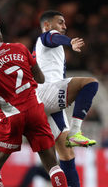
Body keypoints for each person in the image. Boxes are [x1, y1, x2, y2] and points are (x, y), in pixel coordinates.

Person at [0, 22, 67, 187]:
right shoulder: (20, 48)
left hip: (12, 116)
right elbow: (41, 79)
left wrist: (7, 96)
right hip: (35, 110)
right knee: (52, 165)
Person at [33, 10, 99, 186]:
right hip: (48, 92)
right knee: (90, 83)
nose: (65, 26)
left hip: (44, 101)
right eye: (60, 22)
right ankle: (76, 131)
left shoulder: (41, 49)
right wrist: (69, 41)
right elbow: (53, 37)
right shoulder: (46, 38)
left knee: (66, 154)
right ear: (46, 25)